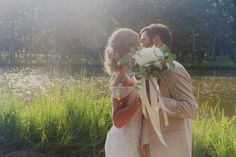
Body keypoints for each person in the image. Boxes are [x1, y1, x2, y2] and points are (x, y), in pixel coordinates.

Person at [140, 23, 199, 157]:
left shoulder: (174, 69)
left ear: (156, 41)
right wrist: (144, 142)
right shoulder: (146, 70)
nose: (140, 46)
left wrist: (157, 102)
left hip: (173, 148)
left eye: (143, 41)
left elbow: (192, 109)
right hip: (151, 145)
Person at [104, 28, 143, 157]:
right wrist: (141, 100)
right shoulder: (120, 77)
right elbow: (118, 120)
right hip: (126, 143)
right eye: (138, 45)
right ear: (128, 48)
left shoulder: (129, 73)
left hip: (135, 138)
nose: (141, 48)